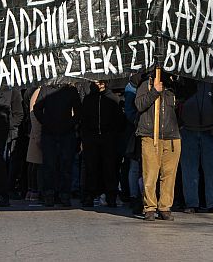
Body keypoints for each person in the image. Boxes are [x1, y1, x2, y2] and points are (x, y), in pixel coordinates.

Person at [178, 79, 213, 214]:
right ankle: (191, 203)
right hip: (188, 131)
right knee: (189, 170)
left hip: (211, 133)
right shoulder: (185, 84)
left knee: (212, 170)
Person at [134, 71, 181, 222]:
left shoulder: (175, 86)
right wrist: (154, 91)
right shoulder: (145, 84)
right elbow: (139, 105)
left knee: (169, 174)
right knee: (151, 173)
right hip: (150, 135)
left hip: (172, 136)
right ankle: (149, 207)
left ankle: (165, 207)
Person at [34, 83, 82, 208]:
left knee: (65, 164)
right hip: (50, 132)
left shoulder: (71, 90)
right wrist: (46, 122)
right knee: (50, 165)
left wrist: (70, 124)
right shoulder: (46, 89)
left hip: (65, 132)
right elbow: (37, 108)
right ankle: (50, 194)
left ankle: (64, 194)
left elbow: (78, 111)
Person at [79, 80, 125, 208]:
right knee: (91, 167)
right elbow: (83, 119)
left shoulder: (113, 98)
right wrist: (85, 137)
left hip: (108, 138)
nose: (99, 84)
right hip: (91, 138)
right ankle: (90, 195)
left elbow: (119, 120)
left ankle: (111, 196)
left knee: (109, 168)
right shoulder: (88, 99)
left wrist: (113, 134)